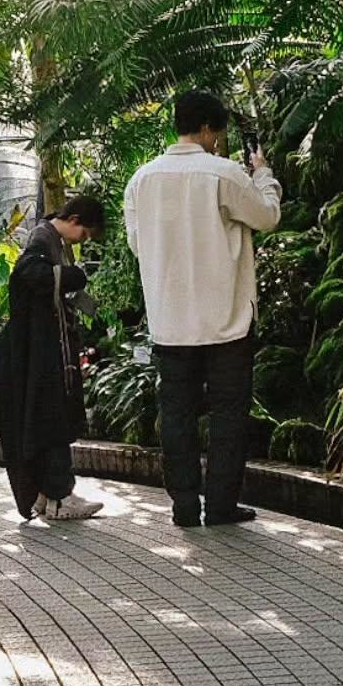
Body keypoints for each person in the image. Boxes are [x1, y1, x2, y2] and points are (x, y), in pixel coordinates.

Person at [124, 90, 282, 527]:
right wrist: (264, 174)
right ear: (209, 129)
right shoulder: (223, 173)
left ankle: (184, 506)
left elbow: (139, 245)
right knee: (229, 415)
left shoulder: (142, 180)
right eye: (218, 134)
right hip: (226, 320)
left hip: (170, 324)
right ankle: (221, 505)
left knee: (176, 416)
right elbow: (267, 217)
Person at [0, 193, 106, 523]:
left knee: (49, 420)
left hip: (44, 351)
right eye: (84, 234)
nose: (83, 240)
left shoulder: (50, 237)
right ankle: (59, 497)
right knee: (53, 421)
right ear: (74, 221)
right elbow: (29, 275)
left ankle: (48, 495)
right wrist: (74, 277)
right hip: (40, 353)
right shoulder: (42, 239)